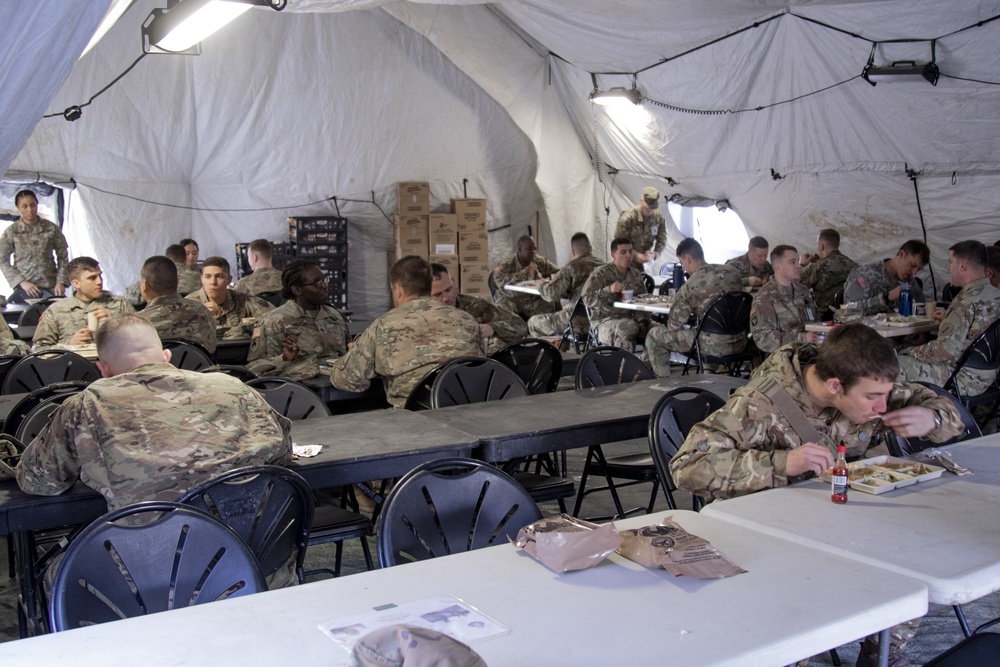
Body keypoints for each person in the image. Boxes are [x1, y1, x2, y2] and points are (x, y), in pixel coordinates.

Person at [669, 323, 963, 666]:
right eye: (872, 398)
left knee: (913, 553)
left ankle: (883, 647)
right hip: (774, 538)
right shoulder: (758, 406)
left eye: (884, 395)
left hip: (840, 521)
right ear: (835, 385)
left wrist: (931, 417)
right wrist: (781, 463)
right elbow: (686, 467)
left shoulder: (867, 381)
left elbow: (947, 412)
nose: (882, 406)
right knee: (793, 634)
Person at [15, 315, 294, 586]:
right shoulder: (234, 388)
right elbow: (282, 452)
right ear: (166, 357)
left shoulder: (88, 405)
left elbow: (39, 482)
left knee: (58, 576)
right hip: (254, 564)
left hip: (153, 579)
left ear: (104, 369)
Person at [329, 256, 484, 408]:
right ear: (429, 285)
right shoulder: (467, 320)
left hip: (414, 420)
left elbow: (348, 380)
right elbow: (480, 366)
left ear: (398, 289)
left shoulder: (383, 326)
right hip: (467, 413)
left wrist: (355, 352)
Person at [898, 240, 1000, 394]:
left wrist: (909, 351)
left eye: (951, 262)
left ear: (963, 265)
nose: (948, 268)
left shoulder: (965, 302)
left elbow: (945, 350)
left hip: (962, 379)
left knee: (890, 365)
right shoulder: (995, 294)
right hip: (990, 377)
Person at [643, 238, 743, 377]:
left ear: (688, 259)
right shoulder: (733, 273)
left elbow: (674, 325)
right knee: (704, 329)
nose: (684, 268)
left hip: (710, 344)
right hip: (740, 341)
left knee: (654, 335)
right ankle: (710, 372)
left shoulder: (691, 285)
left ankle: (662, 383)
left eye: (683, 263)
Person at [247, 259, 349, 380]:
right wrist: (284, 358)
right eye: (317, 283)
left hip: (339, 384)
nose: (325, 286)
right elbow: (254, 368)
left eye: (324, 279)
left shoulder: (333, 316)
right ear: (297, 290)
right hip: (302, 390)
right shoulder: (274, 322)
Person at [31, 256, 135, 350]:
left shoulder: (119, 304)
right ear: (76, 283)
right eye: (92, 278)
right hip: (75, 367)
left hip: (115, 366)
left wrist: (114, 325)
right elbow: (38, 350)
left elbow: (141, 338)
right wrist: (69, 346)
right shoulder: (56, 310)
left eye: (100, 276)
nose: (99, 281)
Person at [527, 232, 605, 339]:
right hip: (600, 320)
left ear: (573, 251)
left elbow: (551, 294)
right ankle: (562, 349)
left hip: (577, 321)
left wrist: (541, 284)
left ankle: (553, 353)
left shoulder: (572, 267)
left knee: (532, 323)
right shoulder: (604, 266)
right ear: (590, 248)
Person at [430, 263, 526, 349]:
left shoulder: (475, 306)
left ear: (453, 282)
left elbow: (519, 325)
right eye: (437, 295)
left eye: (448, 290)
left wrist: (493, 328)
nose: (446, 298)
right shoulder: (419, 315)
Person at [135, 255, 217, 353]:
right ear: (177, 282)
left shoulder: (137, 324)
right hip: (198, 368)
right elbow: (211, 349)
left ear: (144, 285)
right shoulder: (203, 312)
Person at [0, 189, 70, 302]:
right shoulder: (12, 231)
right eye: (25, 206)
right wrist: (21, 282)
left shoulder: (51, 228)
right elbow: (2, 260)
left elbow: (63, 257)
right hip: (25, 289)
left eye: (33, 205)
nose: (30, 210)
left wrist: (61, 282)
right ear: (18, 208)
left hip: (51, 287)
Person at [581, 237, 648, 352]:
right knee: (628, 329)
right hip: (605, 320)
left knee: (657, 332)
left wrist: (642, 321)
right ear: (613, 255)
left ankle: (647, 368)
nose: (628, 256)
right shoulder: (601, 273)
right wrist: (608, 290)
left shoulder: (636, 275)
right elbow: (586, 299)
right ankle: (623, 369)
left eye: (630, 252)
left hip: (631, 319)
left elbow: (642, 301)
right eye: (623, 252)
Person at [750, 244, 819, 356]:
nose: (798, 266)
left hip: (811, 351)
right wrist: (801, 337)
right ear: (778, 266)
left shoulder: (803, 291)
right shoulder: (765, 297)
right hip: (784, 356)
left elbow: (816, 322)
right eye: (792, 262)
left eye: (797, 261)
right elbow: (764, 338)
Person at [186, 256, 273, 338]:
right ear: (202, 279)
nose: (213, 282)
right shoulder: (188, 304)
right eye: (208, 277)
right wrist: (197, 315)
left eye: (219, 276)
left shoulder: (243, 301)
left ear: (229, 280)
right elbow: (175, 331)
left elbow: (275, 317)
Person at [843, 239, 929, 316]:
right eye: (912, 265)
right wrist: (886, 298)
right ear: (901, 254)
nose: (914, 272)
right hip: (869, 332)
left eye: (918, 269)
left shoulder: (909, 281)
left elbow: (922, 307)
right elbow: (848, 309)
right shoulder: (866, 273)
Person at [492, 235, 560, 320]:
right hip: (510, 298)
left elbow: (559, 272)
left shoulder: (539, 261)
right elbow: (499, 280)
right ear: (520, 249)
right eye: (529, 249)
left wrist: (548, 279)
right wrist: (525, 273)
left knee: (547, 315)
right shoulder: (507, 264)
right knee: (505, 317)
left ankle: (536, 330)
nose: (533, 252)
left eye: (535, 249)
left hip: (531, 299)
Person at [798, 228, 858, 318]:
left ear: (821, 246)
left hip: (825, 320)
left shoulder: (817, 268)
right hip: (850, 317)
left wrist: (801, 265)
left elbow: (794, 286)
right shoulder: (854, 265)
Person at [614, 187, 666, 270]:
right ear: (641, 201)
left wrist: (655, 254)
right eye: (647, 207)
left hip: (645, 266)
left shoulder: (658, 217)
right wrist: (635, 256)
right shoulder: (628, 218)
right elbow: (619, 244)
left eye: (652, 208)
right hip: (626, 265)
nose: (650, 210)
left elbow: (662, 239)